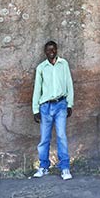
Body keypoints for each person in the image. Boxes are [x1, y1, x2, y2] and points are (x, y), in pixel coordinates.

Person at [32, 40, 74, 180]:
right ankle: (43, 167)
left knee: (61, 136)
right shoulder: (41, 67)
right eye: (49, 50)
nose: (52, 52)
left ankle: (65, 168)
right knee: (44, 138)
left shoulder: (64, 64)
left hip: (61, 104)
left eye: (54, 49)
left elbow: (69, 84)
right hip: (45, 107)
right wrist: (35, 109)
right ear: (45, 52)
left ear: (57, 50)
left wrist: (70, 104)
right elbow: (37, 89)